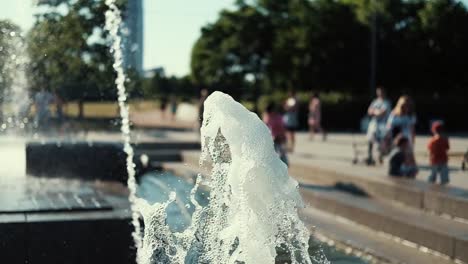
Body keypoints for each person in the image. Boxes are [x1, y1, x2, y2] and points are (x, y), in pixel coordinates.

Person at [366, 86, 391, 164]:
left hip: (383, 124)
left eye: (381, 91)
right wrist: (376, 112)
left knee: (380, 140)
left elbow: (382, 113)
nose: (379, 93)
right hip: (374, 123)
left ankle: (380, 156)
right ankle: (370, 156)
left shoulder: (386, 102)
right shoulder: (375, 101)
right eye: (378, 91)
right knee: (370, 139)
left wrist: (375, 112)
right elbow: (369, 111)